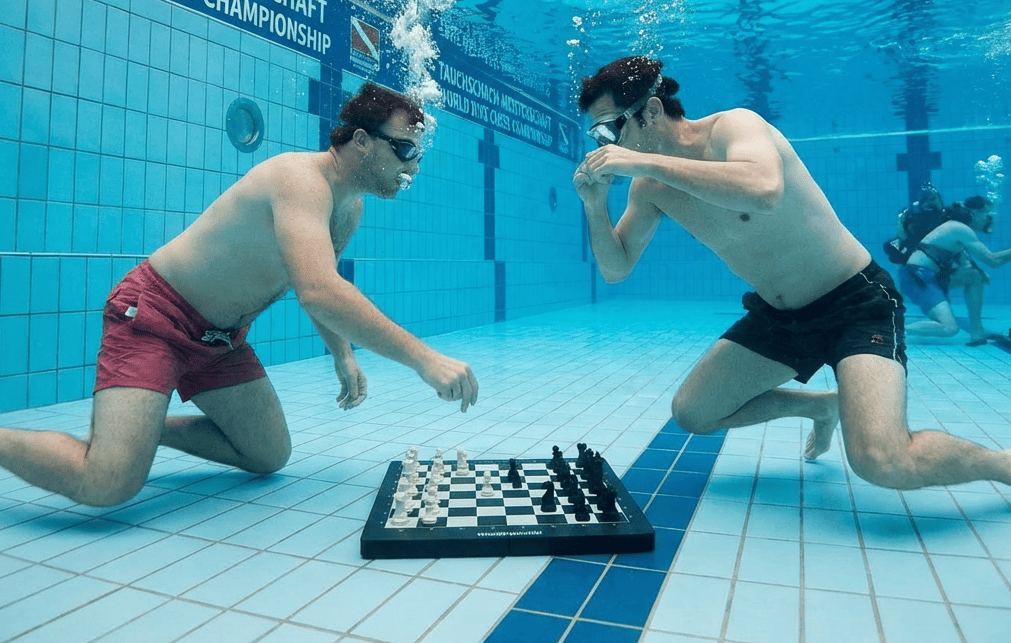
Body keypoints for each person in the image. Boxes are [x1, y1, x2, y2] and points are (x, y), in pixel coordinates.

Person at [0, 83, 479, 507]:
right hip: (155, 317)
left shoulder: (348, 209)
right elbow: (319, 291)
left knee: (268, 454)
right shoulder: (301, 180)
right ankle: (104, 441)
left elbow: (315, 279)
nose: (411, 167)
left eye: (417, 155)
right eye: (404, 150)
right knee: (107, 484)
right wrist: (424, 359)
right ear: (361, 140)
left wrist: (342, 354)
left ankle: (145, 430)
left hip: (219, 339)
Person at [574, 56, 1011, 490]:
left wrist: (644, 163)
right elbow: (616, 268)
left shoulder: (733, 127)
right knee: (693, 413)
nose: (605, 147)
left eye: (611, 130)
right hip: (780, 316)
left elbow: (763, 189)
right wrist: (595, 206)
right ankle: (821, 406)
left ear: (651, 111)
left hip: (855, 303)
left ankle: (1002, 464)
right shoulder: (649, 188)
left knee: (881, 461)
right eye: (597, 136)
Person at [898, 196, 1011, 345]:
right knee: (949, 328)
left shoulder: (959, 231)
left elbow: (967, 264)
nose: (989, 220)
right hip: (917, 278)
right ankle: (894, 330)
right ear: (974, 213)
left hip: (930, 278)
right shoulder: (959, 229)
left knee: (976, 276)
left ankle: (977, 331)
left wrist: (978, 271)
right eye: (987, 215)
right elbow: (992, 260)